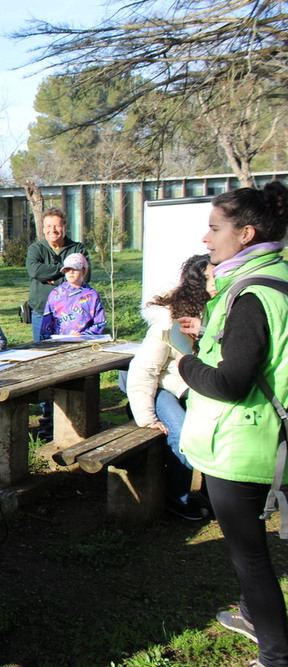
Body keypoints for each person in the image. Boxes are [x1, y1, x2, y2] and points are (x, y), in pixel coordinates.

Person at [176, 182, 288, 667]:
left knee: (251, 559)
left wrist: (184, 363)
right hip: (269, 436)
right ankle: (249, 614)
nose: (205, 238)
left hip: (242, 446)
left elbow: (230, 382)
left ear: (245, 233)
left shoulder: (252, 294)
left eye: (214, 227)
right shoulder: (278, 278)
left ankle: (276, 655)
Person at [125, 254, 214, 520]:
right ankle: (177, 498)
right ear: (199, 284)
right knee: (182, 433)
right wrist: (146, 417)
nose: (216, 282)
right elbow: (144, 370)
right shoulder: (168, 320)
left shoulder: (218, 309)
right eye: (211, 277)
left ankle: (213, 493)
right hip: (160, 387)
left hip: (191, 386)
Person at [26, 207, 90, 341]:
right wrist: (65, 269)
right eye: (48, 226)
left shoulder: (77, 248)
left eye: (57, 226)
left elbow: (84, 276)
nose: (52, 230)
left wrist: (50, 280)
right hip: (41, 312)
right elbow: (35, 271)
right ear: (43, 229)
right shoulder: (36, 248)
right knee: (41, 352)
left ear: (65, 227)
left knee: (69, 352)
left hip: (72, 313)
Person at [39, 253, 106, 339]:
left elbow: (100, 323)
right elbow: (47, 320)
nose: (71, 272)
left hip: (84, 343)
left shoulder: (92, 295)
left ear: (84, 271)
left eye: (75, 269)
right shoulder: (56, 293)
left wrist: (83, 335)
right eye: (67, 269)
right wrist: (46, 342)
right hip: (59, 342)